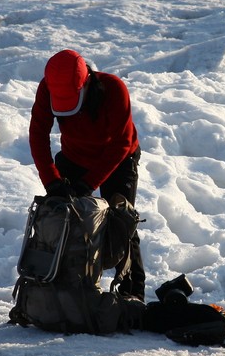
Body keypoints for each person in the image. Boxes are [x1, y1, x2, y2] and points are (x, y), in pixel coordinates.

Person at [28, 49, 146, 300]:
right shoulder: (48, 88)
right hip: (74, 156)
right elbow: (38, 134)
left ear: (86, 82)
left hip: (118, 159)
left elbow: (121, 144)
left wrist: (88, 184)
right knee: (62, 217)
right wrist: (51, 180)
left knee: (122, 223)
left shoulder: (114, 89)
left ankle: (133, 293)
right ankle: (58, 286)